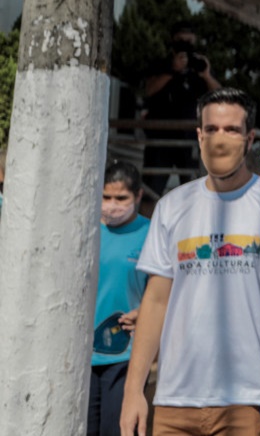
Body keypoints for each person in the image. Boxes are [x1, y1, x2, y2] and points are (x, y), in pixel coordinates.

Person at [120, 87, 260, 436]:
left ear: (250, 138)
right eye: (211, 129)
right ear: (199, 135)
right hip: (173, 401)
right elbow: (156, 300)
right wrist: (134, 391)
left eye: (231, 130)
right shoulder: (172, 205)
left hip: (247, 399)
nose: (219, 139)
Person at [91, 161, 151, 436]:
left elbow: (165, 290)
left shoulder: (152, 233)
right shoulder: (87, 229)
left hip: (126, 354)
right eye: (106, 197)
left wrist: (145, 311)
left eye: (121, 198)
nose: (112, 205)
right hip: (82, 355)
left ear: (138, 196)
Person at [142, 24, 222, 195]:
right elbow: (148, 90)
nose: (185, 45)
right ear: (172, 41)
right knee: (151, 189)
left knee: (195, 190)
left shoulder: (199, 65)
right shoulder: (161, 63)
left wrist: (206, 76)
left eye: (189, 41)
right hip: (161, 138)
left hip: (190, 139)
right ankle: (148, 222)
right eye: (181, 41)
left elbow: (221, 96)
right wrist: (172, 70)